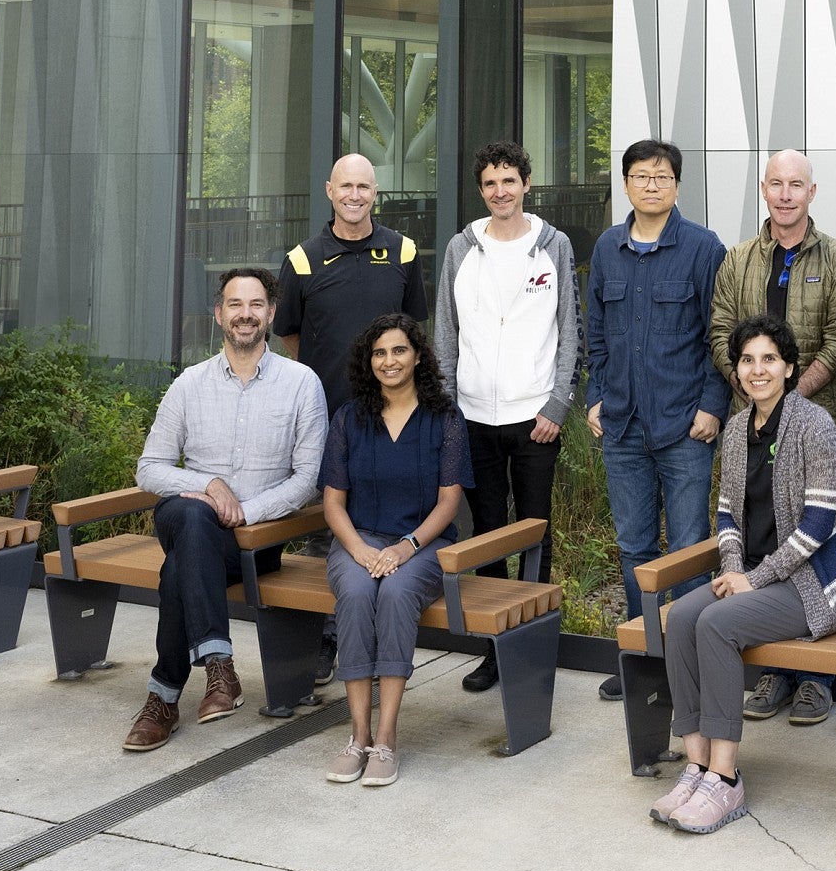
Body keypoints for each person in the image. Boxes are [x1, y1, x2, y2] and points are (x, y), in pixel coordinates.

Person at [652, 314, 836, 833]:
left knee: (716, 623)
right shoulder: (735, 429)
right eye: (747, 360)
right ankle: (697, 765)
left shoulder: (814, 424)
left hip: (812, 584)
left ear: (790, 367)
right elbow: (726, 512)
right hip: (753, 578)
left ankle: (725, 781)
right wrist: (733, 569)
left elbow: (820, 522)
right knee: (682, 616)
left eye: (769, 359)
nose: (757, 370)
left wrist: (756, 577)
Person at [125, 267, 326, 752]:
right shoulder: (188, 385)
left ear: (271, 315)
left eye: (256, 305)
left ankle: (164, 696)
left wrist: (245, 512)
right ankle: (217, 668)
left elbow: (306, 479)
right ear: (219, 315)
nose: (245, 314)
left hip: (256, 543)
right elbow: (149, 468)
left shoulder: (302, 384)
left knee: (179, 567)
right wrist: (210, 485)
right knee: (192, 516)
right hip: (187, 518)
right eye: (235, 305)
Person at [708, 149, 836, 727]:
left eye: (795, 184)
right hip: (749, 421)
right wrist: (755, 390)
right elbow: (722, 329)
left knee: (811, 538)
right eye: (775, 184)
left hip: (815, 419)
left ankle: (816, 677)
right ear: (764, 188)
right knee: (757, 529)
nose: (784, 194)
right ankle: (774, 667)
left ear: (812, 191)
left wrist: (790, 396)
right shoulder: (739, 259)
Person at [274, 152, 429, 684]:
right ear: (329, 190)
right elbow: (293, 338)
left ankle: (376, 636)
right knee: (326, 533)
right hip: (330, 421)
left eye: (364, 186)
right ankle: (325, 641)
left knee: (389, 523)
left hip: (395, 421)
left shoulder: (404, 251)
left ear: (375, 192)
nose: (355, 195)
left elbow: (413, 332)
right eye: (346, 186)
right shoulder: (301, 260)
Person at [433, 140, 580, 695]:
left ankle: (533, 646)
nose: (501, 192)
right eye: (491, 183)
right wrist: (448, 407)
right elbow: (445, 332)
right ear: (482, 190)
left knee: (534, 531)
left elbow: (571, 328)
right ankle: (496, 650)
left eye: (510, 181)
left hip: (535, 416)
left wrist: (557, 406)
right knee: (489, 533)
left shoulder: (553, 246)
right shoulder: (460, 249)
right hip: (473, 417)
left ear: (526, 184)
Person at [586, 138, 728, 701]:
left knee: (690, 547)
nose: (652, 184)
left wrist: (712, 406)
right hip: (620, 424)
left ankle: (688, 663)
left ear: (676, 185)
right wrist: (596, 396)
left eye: (662, 176)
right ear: (626, 184)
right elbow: (595, 329)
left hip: (684, 426)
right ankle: (645, 654)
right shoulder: (606, 248)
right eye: (642, 176)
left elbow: (720, 334)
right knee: (635, 545)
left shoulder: (702, 247)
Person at [319, 314, 474, 786]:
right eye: (380, 353)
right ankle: (358, 734)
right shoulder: (350, 418)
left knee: (396, 593)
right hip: (357, 539)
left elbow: (450, 500)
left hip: (423, 544)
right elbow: (332, 504)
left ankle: (385, 738)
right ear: (370, 362)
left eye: (399, 350)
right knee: (358, 592)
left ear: (418, 356)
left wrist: (406, 547)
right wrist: (360, 551)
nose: (390, 361)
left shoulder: (444, 417)